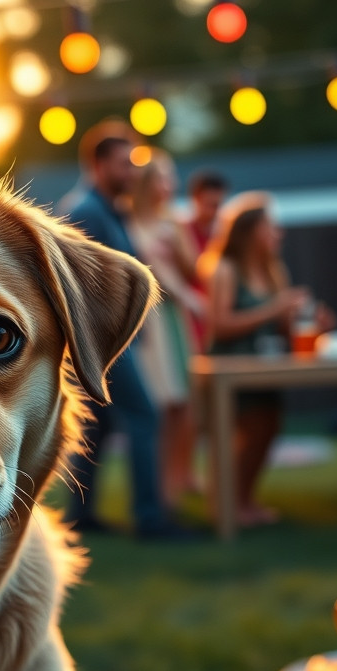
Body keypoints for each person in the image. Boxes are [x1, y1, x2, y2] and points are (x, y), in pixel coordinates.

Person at [59, 121, 194, 542]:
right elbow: (87, 287)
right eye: (125, 165)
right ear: (99, 165)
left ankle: (82, 515)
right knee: (144, 416)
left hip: (108, 344)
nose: (133, 174)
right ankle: (151, 519)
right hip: (105, 345)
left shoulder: (104, 209)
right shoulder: (87, 213)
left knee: (98, 426)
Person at [199, 192, 326, 527]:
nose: (278, 233)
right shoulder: (224, 269)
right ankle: (226, 505)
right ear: (250, 230)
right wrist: (275, 307)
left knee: (268, 426)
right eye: (271, 226)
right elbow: (220, 325)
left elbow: (283, 326)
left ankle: (244, 500)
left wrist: (309, 318)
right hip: (229, 367)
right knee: (246, 432)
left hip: (263, 367)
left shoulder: (273, 269)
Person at [127, 149, 205, 503]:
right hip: (149, 323)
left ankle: (181, 476)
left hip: (174, 319)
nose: (169, 185)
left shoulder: (172, 222)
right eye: (163, 178)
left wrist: (177, 242)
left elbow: (194, 271)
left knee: (184, 403)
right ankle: (160, 488)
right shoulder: (128, 222)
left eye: (170, 178)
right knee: (159, 404)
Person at [181, 169, 228, 350]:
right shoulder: (182, 230)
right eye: (210, 204)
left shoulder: (224, 233)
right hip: (192, 315)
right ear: (196, 199)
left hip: (215, 313)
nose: (215, 211)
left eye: (218, 205)